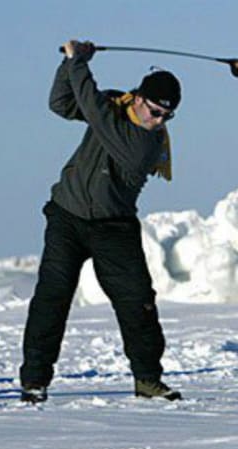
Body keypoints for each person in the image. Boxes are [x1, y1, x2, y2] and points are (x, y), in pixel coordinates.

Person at [19, 40, 181, 403]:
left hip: (114, 228)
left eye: (167, 117)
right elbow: (62, 104)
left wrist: (80, 61)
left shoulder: (145, 144)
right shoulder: (112, 105)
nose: (159, 122)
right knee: (52, 298)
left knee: (137, 301)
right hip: (67, 217)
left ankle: (148, 380)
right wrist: (68, 64)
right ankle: (34, 381)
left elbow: (93, 108)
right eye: (156, 111)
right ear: (138, 98)